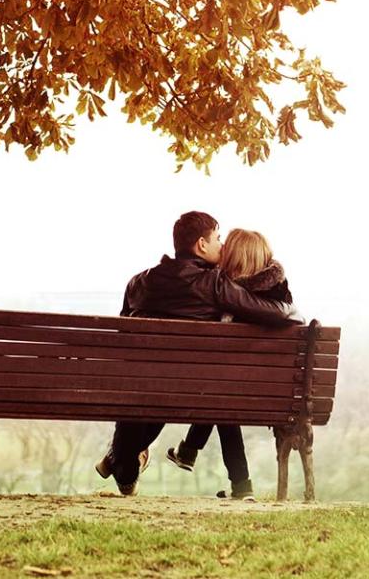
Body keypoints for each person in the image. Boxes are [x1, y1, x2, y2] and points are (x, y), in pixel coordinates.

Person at [94, 211, 295, 496]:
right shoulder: (214, 285)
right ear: (201, 245)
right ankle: (122, 461)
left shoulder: (137, 283)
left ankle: (121, 462)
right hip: (192, 390)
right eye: (218, 238)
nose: (222, 246)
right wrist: (280, 286)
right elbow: (275, 313)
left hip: (141, 387)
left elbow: (124, 335)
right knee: (208, 384)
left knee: (147, 391)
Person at [163, 229, 294, 498]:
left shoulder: (227, 295)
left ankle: (201, 459)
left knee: (221, 396)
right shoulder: (281, 299)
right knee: (223, 395)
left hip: (232, 391)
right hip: (275, 395)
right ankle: (229, 479)